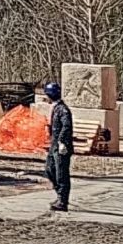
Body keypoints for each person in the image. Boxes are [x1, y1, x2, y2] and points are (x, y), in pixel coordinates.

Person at [44, 80, 76, 212]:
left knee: (61, 173)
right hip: (54, 144)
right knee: (50, 169)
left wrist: (62, 142)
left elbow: (66, 126)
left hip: (61, 145)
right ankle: (59, 194)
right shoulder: (57, 108)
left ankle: (63, 201)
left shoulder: (63, 109)